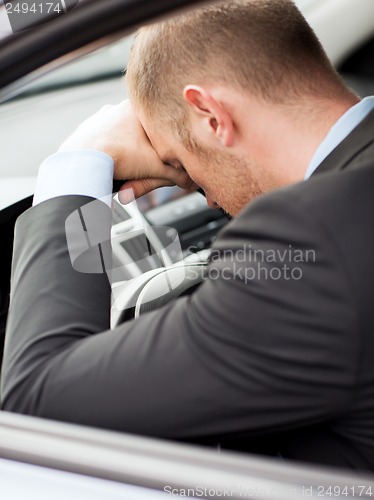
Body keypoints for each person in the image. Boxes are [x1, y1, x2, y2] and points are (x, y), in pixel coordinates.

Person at [2, 0, 374, 471]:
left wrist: (80, 166)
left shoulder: (312, 244)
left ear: (210, 114)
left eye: (183, 167)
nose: (210, 201)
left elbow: (38, 400)